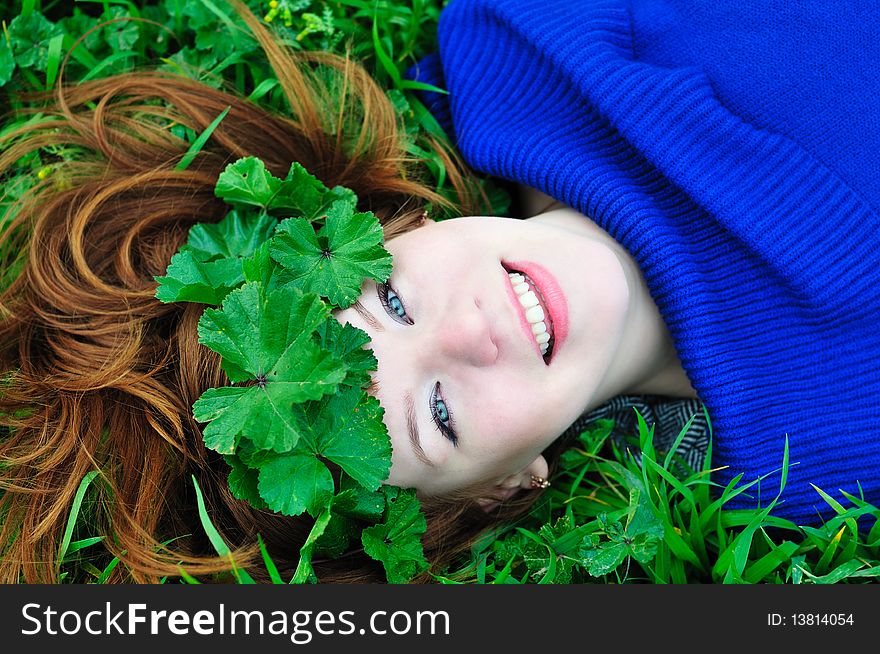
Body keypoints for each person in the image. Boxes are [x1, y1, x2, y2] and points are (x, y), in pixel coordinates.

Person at [1, 0, 877, 584]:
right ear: (504, 488)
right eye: (441, 418)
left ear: (383, 228)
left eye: (390, 301)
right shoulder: (826, 461)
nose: (471, 331)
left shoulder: (520, 47)